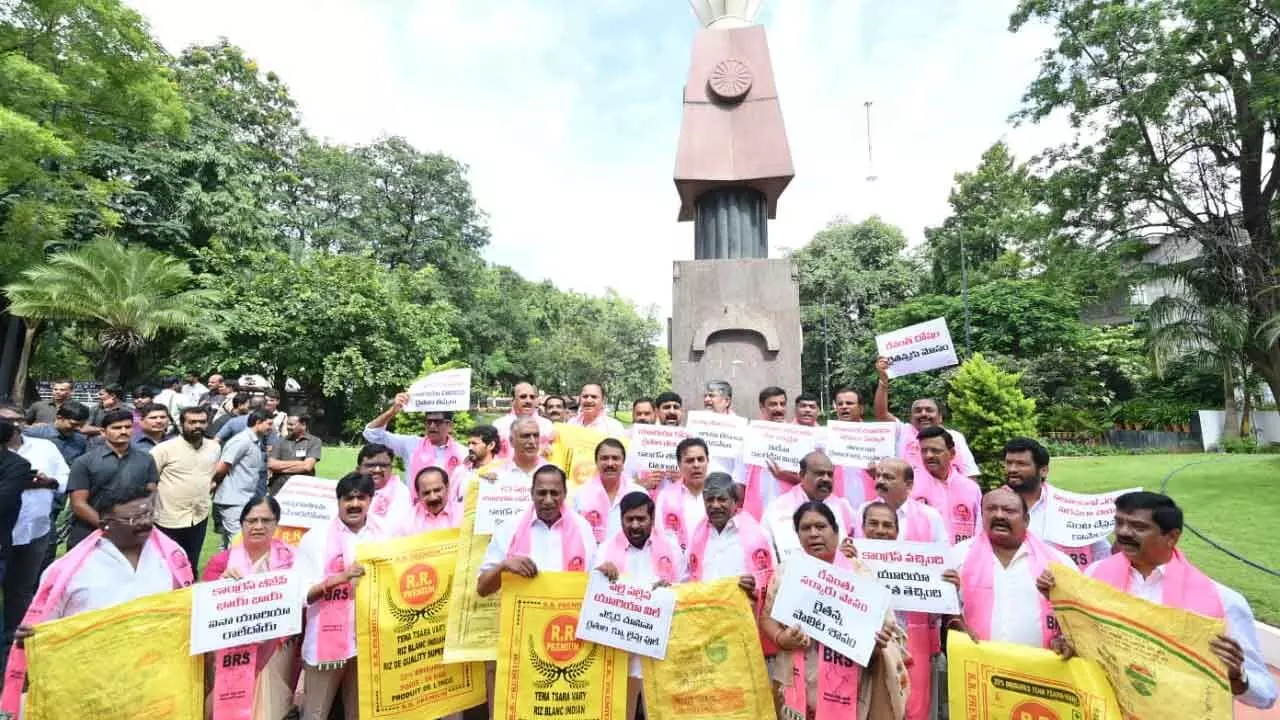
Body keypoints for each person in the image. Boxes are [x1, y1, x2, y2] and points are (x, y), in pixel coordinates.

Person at [1064, 492, 1275, 710]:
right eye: (1119, 523)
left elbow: (1266, 695)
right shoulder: (1094, 575)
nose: (1123, 532)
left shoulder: (1224, 601)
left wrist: (1238, 680)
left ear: (1172, 537)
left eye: (1138, 527)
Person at [1, 481, 193, 719]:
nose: (144, 523)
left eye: (147, 514)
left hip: (154, 682)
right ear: (105, 524)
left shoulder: (172, 557)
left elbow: (184, 608)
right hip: (92, 688)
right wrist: (31, 640)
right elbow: (43, 630)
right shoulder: (68, 571)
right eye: (133, 519)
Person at [760, 501, 909, 720]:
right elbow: (767, 617)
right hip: (798, 689)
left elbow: (891, 633)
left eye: (820, 527)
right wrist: (782, 638)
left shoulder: (861, 575)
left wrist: (878, 645)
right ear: (798, 535)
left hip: (853, 692)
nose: (813, 534)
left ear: (836, 532)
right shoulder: (786, 573)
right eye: (805, 528)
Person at [297, 472, 394, 720]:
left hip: (369, 640)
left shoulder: (384, 534)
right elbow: (300, 595)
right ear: (338, 501)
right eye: (348, 499)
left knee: (362, 712)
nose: (354, 504)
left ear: (370, 500)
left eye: (361, 498)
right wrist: (338, 579)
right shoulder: (315, 538)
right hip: (325, 643)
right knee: (315, 712)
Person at [201, 495, 298, 720]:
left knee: (268, 707)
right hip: (230, 648)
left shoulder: (291, 560)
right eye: (252, 520)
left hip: (276, 646)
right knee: (224, 702)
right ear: (242, 523)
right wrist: (221, 585)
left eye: (266, 520)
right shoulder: (222, 562)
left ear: (276, 524)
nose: (258, 526)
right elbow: (204, 609)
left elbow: (300, 600)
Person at [948, 488, 1074, 650]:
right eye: (991, 509)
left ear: (1026, 520)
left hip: (1040, 668)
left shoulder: (1059, 563)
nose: (999, 515)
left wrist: (1066, 640)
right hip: (977, 665)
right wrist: (957, 624)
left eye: (1009, 511)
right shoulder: (958, 556)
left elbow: (1080, 619)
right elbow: (945, 611)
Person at [594, 491, 683, 720]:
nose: (634, 525)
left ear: (652, 520)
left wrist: (672, 589)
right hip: (621, 650)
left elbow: (687, 587)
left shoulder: (671, 548)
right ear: (621, 519)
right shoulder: (605, 550)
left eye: (641, 519)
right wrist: (601, 575)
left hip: (661, 648)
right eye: (629, 519)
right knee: (621, 713)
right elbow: (592, 596)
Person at [683, 472, 776, 657]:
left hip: (744, 630)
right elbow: (686, 578)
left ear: (735, 501)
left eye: (721, 499)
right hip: (705, 629)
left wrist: (755, 588)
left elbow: (773, 583)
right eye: (709, 500)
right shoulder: (697, 535)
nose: (715, 505)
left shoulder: (758, 535)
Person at [0, 406, 66, 654]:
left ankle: (15, 645)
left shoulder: (44, 448)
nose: (13, 425)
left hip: (34, 532)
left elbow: (64, 477)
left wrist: (49, 482)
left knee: (22, 590)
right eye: (6, 421)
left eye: (17, 420)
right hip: (5, 535)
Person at [476, 464, 597, 598]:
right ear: (532, 493)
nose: (548, 500)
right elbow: (482, 588)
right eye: (542, 493)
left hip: (569, 616)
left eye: (554, 493)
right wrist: (504, 567)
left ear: (564, 494)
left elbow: (594, 582)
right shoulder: (509, 528)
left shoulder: (582, 528)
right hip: (522, 617)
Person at [1002, 437, 1111, 569]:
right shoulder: (994, 506)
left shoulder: (1070, 506)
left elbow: (1103, 555)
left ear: (1043, 470)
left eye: (1021, 464)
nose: (1012, 469)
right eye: (1009, 463)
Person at [66, 408, 158, 549]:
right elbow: (78, 504)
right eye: (116, 428)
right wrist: (108, 526)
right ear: (103, 432)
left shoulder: (146, 459)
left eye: (128, 427)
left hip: (132, 531)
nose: (123, 431)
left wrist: (140, 521)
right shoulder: (84, 462)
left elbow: (151, 493)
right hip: (90, 531)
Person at [872, 357, 979, 478]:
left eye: (929, 410)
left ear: (940, 417)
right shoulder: (902, 431)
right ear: (911, 418)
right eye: (918, 411)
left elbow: (970, 474)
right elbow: (881, 414)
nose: (923, 414)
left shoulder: (955, 437)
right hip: (907, 495)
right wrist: (883, 381)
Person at [151, 406, 220, 570]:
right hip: (167, 519)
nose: (197, 426)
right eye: (192, 422)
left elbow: (210, 476)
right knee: (168, 567)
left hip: (199, 516)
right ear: (181, 424)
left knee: (191, 565)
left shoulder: (214, 448)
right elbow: (148, 483)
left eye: (202, 422)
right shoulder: (163, 449)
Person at [762, 451, 855, 563]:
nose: (826, 479)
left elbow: (859, 550)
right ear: (802, 475)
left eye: (830, 474)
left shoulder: (842, 507)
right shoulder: (776, 510)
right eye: (819, 473)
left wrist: (845, 556)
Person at [363, 392, 467, 489]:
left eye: (437, 422)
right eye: (428, 422)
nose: (432, 426)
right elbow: (372, 434)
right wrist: (393, 411)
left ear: (449, 426)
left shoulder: (462, 453)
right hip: (414, 506)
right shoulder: (411, 444)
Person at [212, 409, 274, 548]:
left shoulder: (255, 442)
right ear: (258, 423)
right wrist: (215, 483)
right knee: (239, 542)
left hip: (244, 498)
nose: (271, 429)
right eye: (269, 424)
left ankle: (224, 567)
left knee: (230, 542)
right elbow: (222, 467)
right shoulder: (242, 441)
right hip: (233, 500)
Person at [912, 426, 981, 545]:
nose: (928, 455)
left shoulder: (971, 488)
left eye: (935, 450)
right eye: (924, 450)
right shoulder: (910, 485)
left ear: (952, 453)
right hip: (923, 559)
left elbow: (979, 531)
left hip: (960, 559)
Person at [853, 459, 946, 544]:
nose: (880, 481)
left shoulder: (929, 516)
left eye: (888, 477)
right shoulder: (864, 510)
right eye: (878, 476)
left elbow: (943, 553)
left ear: (908, 484)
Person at [741, 386, 798, 519]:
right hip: (757, 511)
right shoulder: (749, 436)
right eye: (773, 404)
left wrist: (786, 476)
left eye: (782, 404)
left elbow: (807, 479)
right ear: (762, 407)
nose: (779, 409)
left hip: (789, 511)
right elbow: (740, 478)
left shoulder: (797, 436)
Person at [573, 438, 646, 543]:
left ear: (623, 463)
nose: (610, 464)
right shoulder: (580, 494)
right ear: (596, 462)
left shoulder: (639, 494)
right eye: (604, 458)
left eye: (615, 458)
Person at [654, 438, 711, 550]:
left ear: (707, 461)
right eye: (689, 461)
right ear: (679, 465)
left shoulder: (719, 495)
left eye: (700, 459)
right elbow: (660, 537)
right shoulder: (665, 497)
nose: (696, 465)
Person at [357, 443, 415, 533]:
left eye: (383, 465)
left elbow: (395, 529)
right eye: (371, 465)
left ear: (391, 469)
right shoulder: (350, 489)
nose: (377, 470)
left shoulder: (400, 493)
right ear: (358, 469)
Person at [448, 424, 503, 519]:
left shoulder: (503, 472)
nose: (470, 448)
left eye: (474, 443)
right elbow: (449, 502)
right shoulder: (461, 472)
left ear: (491, 445)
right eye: (468, 443)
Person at [491, 383, 553, 461]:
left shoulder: (547, 425)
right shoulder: (499, 425)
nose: (528, 401)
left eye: (532, 397)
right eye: (523, 397)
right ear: (513, 401)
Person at [268, 414, 322, 494]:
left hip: (303, 489)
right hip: (279, 488)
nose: (288, 427)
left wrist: (280, 466)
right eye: (287, 424)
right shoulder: (280, 441)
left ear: (303, 425)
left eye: (291, 424)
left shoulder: (314, 441)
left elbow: (307, 467)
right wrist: (300, 464)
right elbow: (271, 465)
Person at [408, 466, 456, 532]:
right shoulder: (408, 521)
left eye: (437, 490)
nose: (432, 497)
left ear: (447, 487)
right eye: (426, 493)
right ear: (418, 495)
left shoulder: (463, 513)